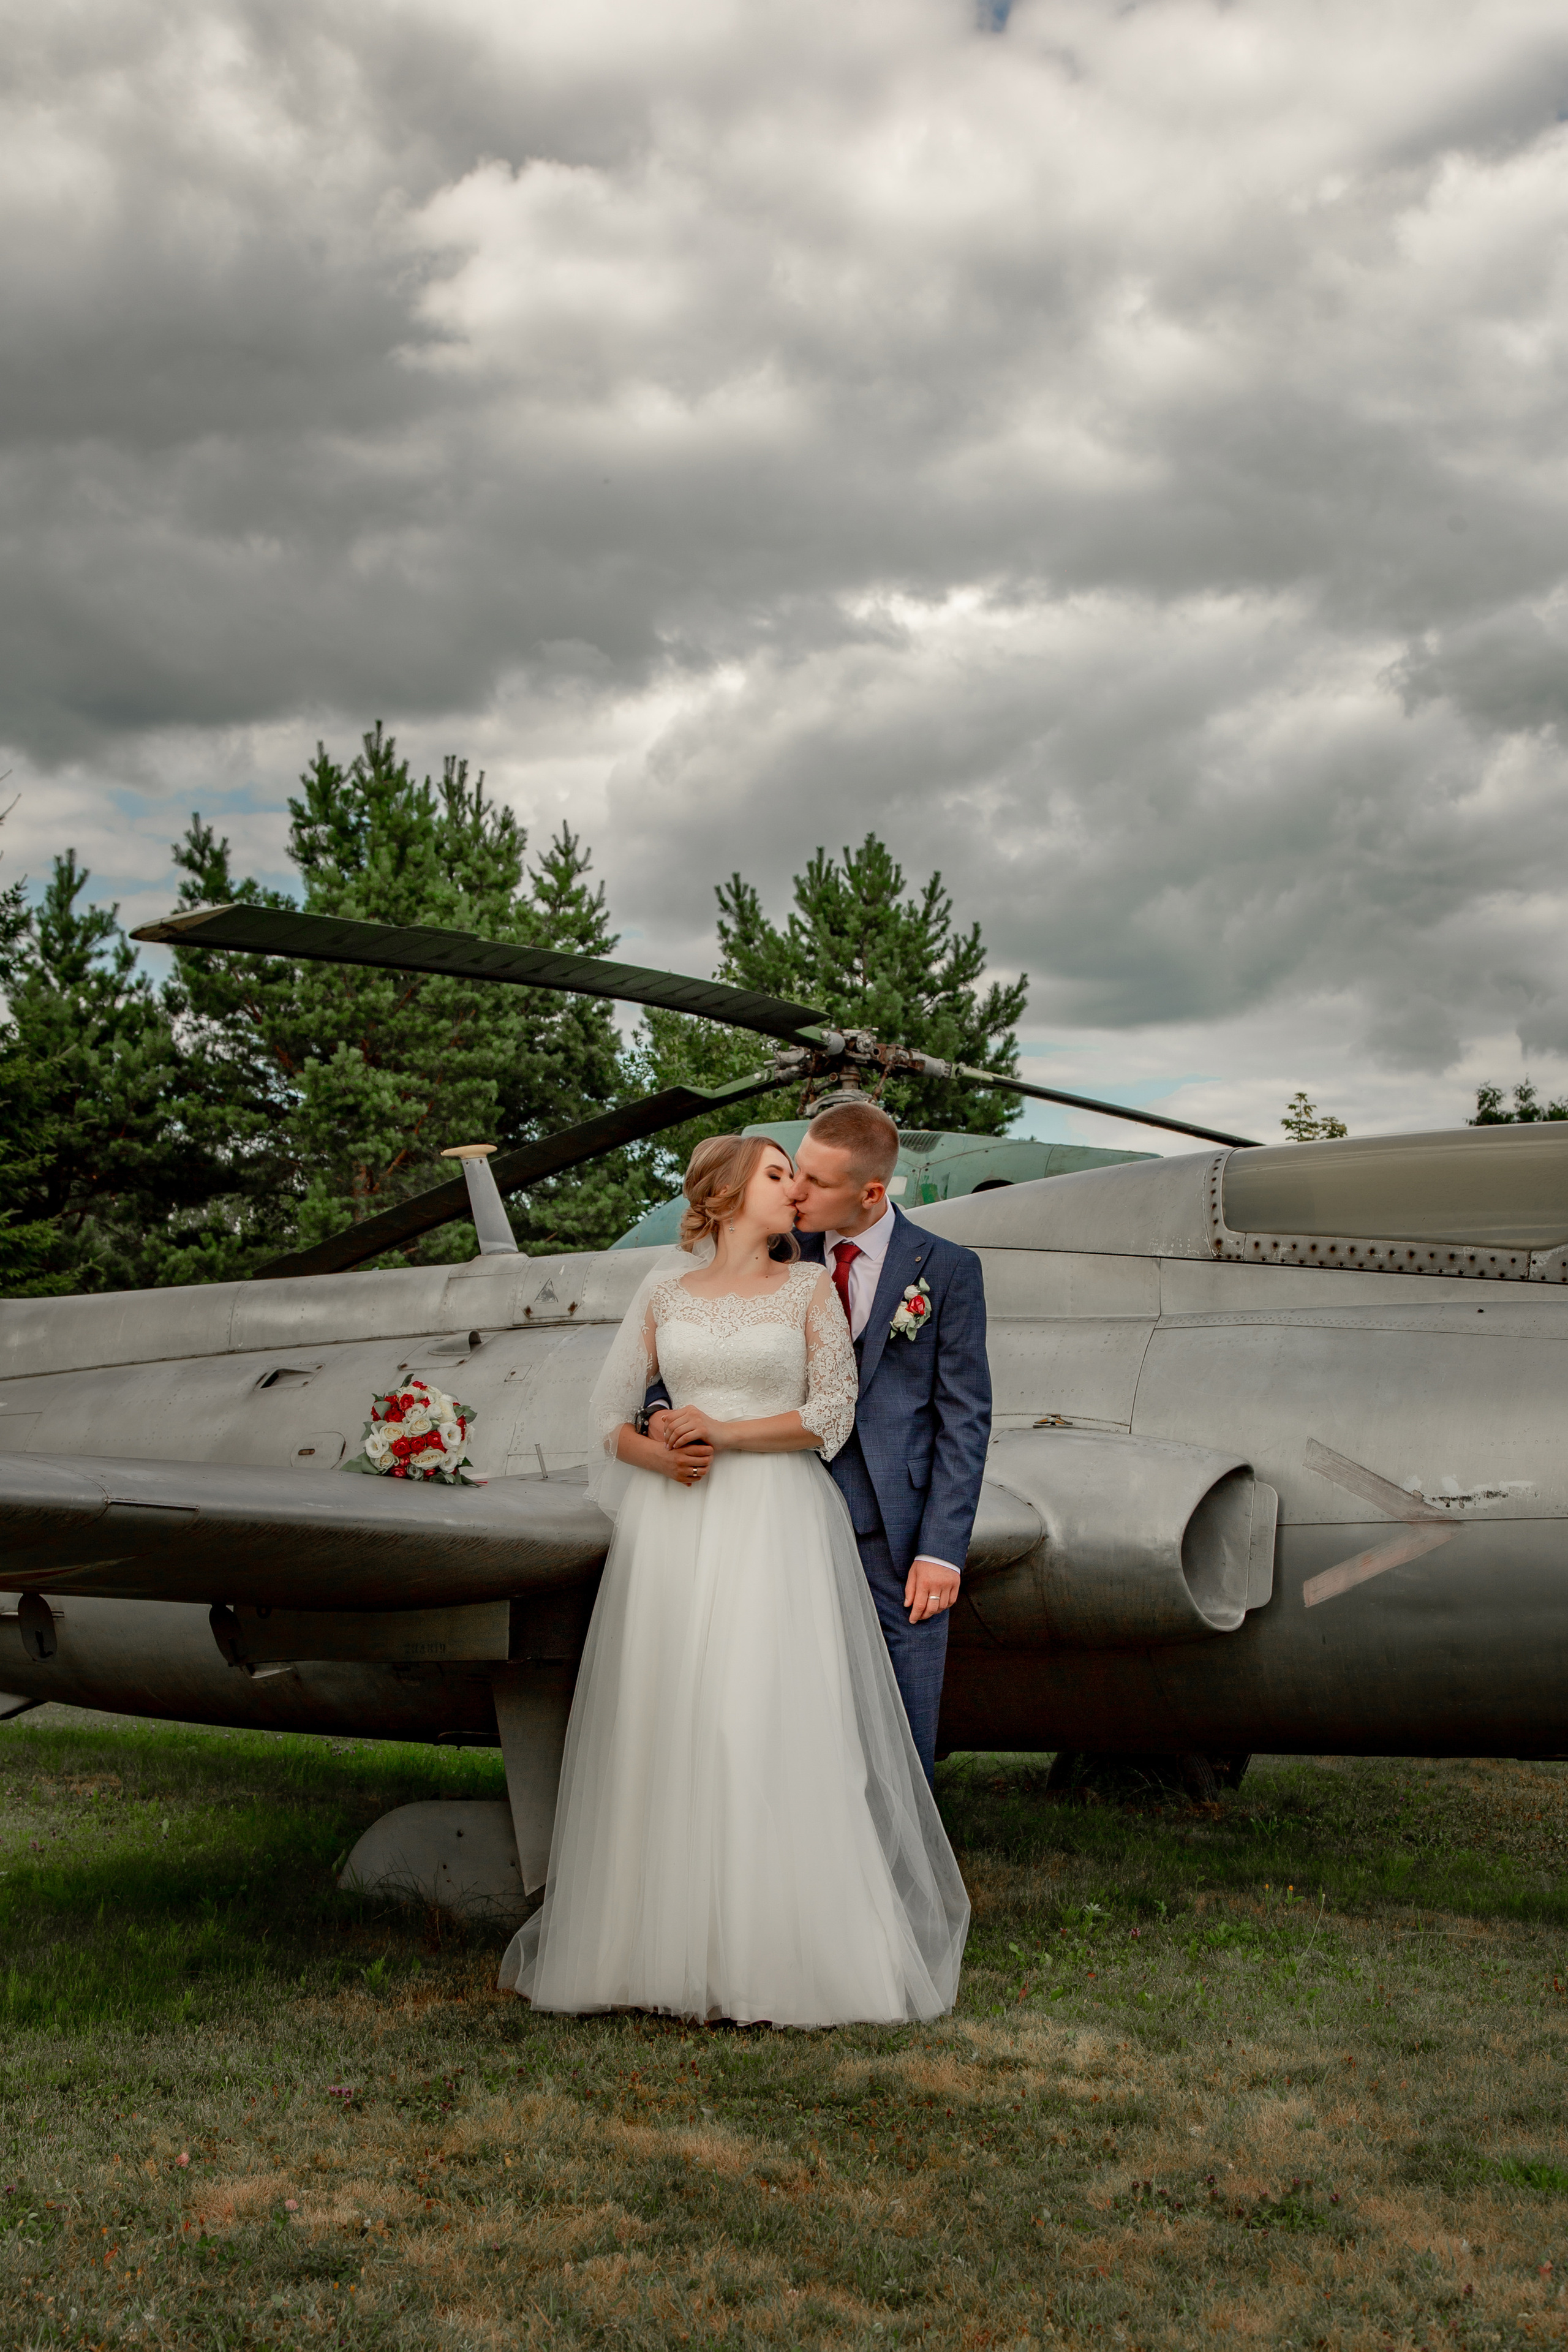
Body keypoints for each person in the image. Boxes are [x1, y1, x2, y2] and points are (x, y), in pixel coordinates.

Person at [497, 1132, 969, 2027]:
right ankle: (650, 1950)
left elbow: (832, 1415)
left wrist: (722, 1432)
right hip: (674, 1526)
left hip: (778, 1525)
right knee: (669, 1719)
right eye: (780, 1173)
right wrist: (658, 1452)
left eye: (799, 1175)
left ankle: (777, 1954)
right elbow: (608, 1415)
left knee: (757, 1718)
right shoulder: (660, 1289)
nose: (796, 1188)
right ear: (723, 1194)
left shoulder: (808, 1290)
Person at [649, 1100, 991, 1786]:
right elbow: (687, 1355)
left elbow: (964, 1418)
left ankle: (898, 1873)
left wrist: (939, 1551)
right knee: (776, 1694)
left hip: (892, 1526)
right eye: (793, 1173)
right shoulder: (776, 1250)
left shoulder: (947, 1269)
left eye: (815, 1183)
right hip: (775, 1514)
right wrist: (660, 1413)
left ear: (870, 1193)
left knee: (905, 1701)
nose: (794, 1192)